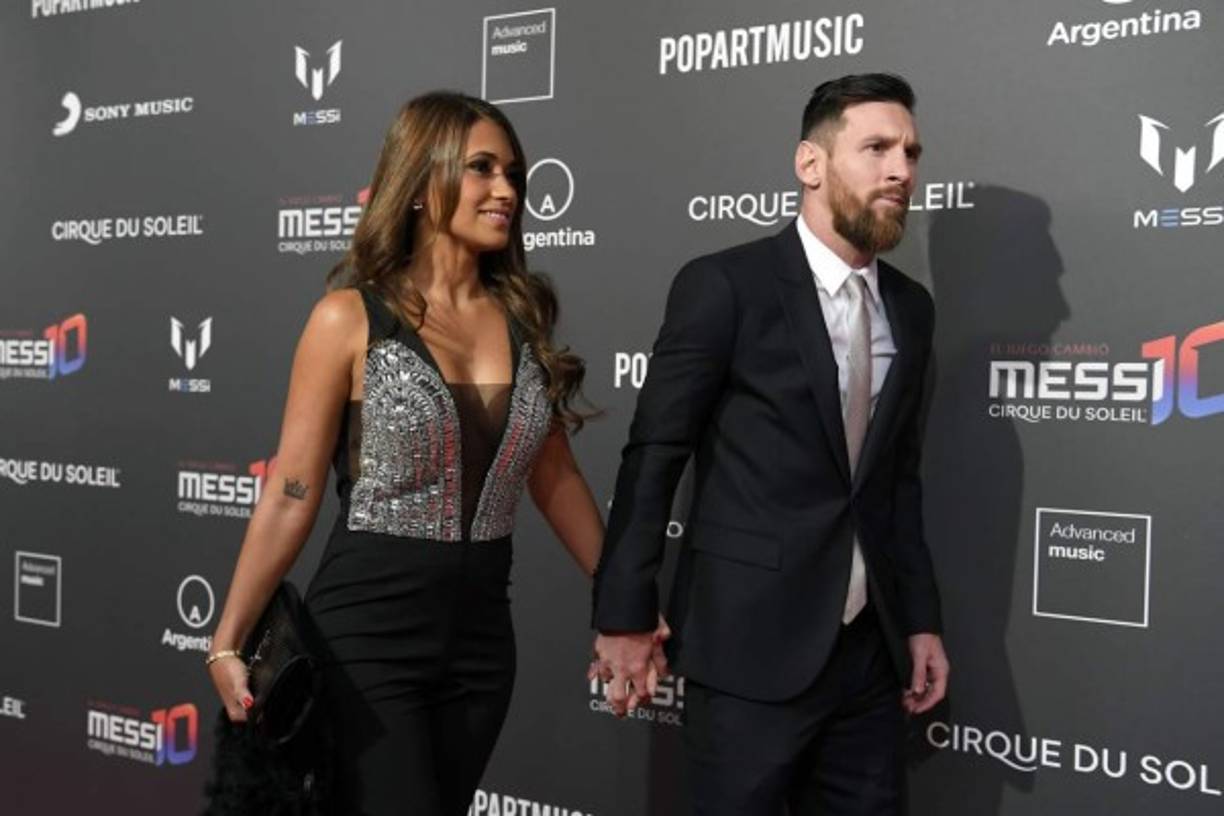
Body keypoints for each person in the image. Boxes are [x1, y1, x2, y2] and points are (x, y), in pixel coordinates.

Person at [205, 91, 631, 816]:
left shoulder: (524, 319)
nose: (507, 190)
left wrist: (623, 600)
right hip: (368, 640)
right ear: (419, 186)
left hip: (481, 650)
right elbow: (292, 490)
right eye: (481, 169)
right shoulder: (349, 318)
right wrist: (227, 639)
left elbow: (553, 473)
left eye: (513, 173)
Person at [591, 73, 949, 815]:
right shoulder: (726, 286)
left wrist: (919, 620)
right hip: (746, 649)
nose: (901, 171)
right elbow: (654, 455)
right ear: (809, 164)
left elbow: (898, 483)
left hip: (869, 659)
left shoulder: (912, 310)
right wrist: (624, 614)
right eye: (877, 147)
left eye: (911, 152)